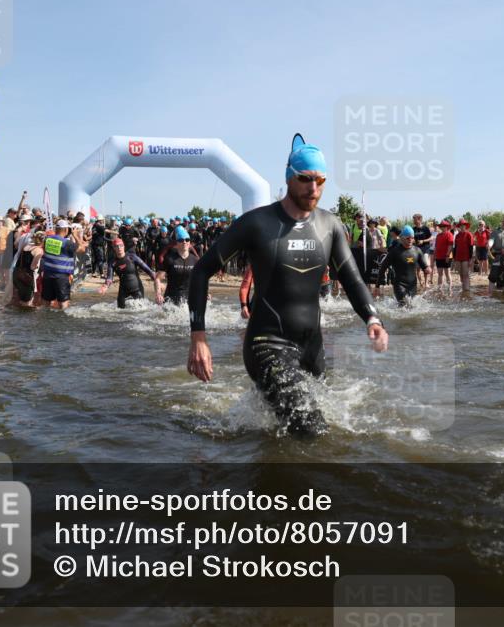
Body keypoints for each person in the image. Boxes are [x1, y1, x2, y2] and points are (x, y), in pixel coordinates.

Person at [186, 133, 387, 436]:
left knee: (300, 427)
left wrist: (372, 318)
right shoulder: (256, 223)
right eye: (306, 179)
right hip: (266, 344)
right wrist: (198, 338)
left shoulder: (330, 225)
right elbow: (201, 271)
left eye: (321, 181)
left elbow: (351, 277)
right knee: (311, 428)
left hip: (312, 347)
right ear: (289, 176)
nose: (314, 188)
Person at [40, 219, 88, 310]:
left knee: (46, 302)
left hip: (48, 275)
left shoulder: (48, 240)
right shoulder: (67, 243)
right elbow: (82, 249)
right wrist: (75, 235)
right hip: (61, 277)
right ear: (66, 230)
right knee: (63, 304)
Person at [377, 225, 431, 305]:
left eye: (412, 238)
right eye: (408, 238)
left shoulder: (417, 251)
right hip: (399, 284)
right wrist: (377, 286)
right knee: (404, 304)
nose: (410, 240)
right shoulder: (395, 252)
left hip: (413, 285)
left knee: (411, 307)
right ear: (402, 238)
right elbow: (383, 268)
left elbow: (424, 267)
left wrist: (427, 269)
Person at [100, 237, 162, 307]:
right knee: (120, 312)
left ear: (124, 246)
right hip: (123, 290)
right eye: (117, 246)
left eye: (121, 245)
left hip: (137, 289)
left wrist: (158, 284)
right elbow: (109, 278)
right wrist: (105, 286)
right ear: (114, 248)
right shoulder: (112, 262)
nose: (119, 248)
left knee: (139, 313)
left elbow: (149, 271)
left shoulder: (132, 257)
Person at [156, 226, 198, 306]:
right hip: (171, 300)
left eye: (187, 240)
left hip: (188, 299)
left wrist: (205, 293)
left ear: (189, 242)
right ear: (177, 242)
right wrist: (158, 294)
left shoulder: (195, 260)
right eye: (181, 240)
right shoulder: (169, 259)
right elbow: (157, 278)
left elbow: (201, 278)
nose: (184, 242)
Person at [412, 214, 433, 288]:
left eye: (414, 219)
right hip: (416, 250)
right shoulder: (413, 229)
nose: (413, 220)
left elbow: (431, 238)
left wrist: (423, 241)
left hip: (425, 250)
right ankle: (420, 282)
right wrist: (412, 241)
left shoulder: (425, 228)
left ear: (419, 219)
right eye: (413, 219)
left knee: (425, 267)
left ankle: (426, 282)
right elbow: (410, 239)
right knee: (417, 269)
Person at [433, 219, 454, 293]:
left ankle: (450, 289)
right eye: (441, 226)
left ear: (447, 227)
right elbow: (436, 246)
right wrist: (435, 256)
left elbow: (450, 246)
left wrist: (447, 255)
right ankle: (440, 290)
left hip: (447, 256)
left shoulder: (450, 234)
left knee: (447, 272)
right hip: (439, 257)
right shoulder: (438, 235)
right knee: (440, 274)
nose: (442, 227)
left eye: (444, 226)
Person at [453, 219, 474, 292]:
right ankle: (463, 288)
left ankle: (467, 290)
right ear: (459, 226)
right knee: (460, 274)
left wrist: (471, 259)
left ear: (466, 226)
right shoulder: (457, 235)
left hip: (466, 257)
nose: (462, 227)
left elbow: (471, 247)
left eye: (463, 225)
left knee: (465, 274)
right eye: (461, 225)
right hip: (458, 257)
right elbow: (455, 247)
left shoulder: (469, 234)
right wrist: (454, 258)